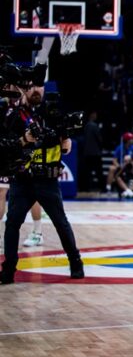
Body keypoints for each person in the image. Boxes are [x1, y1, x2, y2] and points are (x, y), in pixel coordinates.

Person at [1, 84, 84, 284]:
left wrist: (66, 142)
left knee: (60, 223)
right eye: (31, 87)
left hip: (47, 180)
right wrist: (23, 140)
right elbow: (5, 145)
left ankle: (75, 261)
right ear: (23, 90)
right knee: (12, 224)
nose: (36, 90)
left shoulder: (54, 113)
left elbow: (66, 145)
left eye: (39, 86)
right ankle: (8, 269)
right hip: (22, 180)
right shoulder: (13, 115)